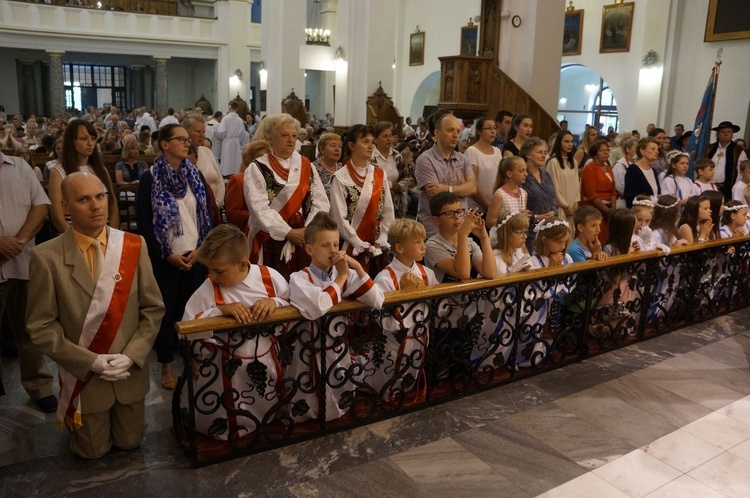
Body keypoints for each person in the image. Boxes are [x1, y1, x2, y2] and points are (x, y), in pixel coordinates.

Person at [27, 172, 164, 459]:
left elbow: (152, 308)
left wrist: (134, 354)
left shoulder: (133, 246)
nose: (96, 206)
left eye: (101, 196)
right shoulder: (46, 257)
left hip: (129, 372)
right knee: (92, 452)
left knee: (131, 443)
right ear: (65, 207)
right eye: (83, 199)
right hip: (85, 378)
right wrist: (90, 361)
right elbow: (41, 326)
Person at [182, 225, 289, 440]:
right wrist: (218, 312)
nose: (212, 275)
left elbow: (291, 305)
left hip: (267, 358)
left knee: (268, 408)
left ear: (242, 264)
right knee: (230, 413)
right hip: (225, 369)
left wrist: (274, 302)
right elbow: (187, 327)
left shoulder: (269, 277)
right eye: (209, 269)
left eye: (218, 271)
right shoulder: (208, 288)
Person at [136, 124, 215, 390]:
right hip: (165, 257)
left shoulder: (196, 175)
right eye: (180, 139)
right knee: (166, 311)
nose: (186, 142)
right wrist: (166, 253)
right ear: (164, 144)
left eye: (187, 139)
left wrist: (201, 250)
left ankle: (193, 358)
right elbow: (145, 222)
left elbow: (207, 215)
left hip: (196, 253)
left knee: (193, 311)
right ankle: (167, 364)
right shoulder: (151, 178)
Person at [287, 213, 384, 422]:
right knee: (309, 408)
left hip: (338, 350)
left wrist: (356, 267)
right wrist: (341, 277)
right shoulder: (299, 278)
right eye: (325, 245)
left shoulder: (344, 273)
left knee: (341, 403)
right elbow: (319, 306)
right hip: (308, 353)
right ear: (309, 249)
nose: (333, 251)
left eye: (336, 244)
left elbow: (377, 300)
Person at [0, 149, 56, 412]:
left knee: (29, 328)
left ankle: (39, 385)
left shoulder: (20, 167)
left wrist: (19, 241)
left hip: (22, 262)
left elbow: (41, 206)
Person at [244, 113, 330, 279]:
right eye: (284, 135)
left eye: (294, 136)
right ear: (270, 139)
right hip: (269, 239)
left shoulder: (306, 165)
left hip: (305, 239)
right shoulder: (257, 168)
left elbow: (321, 202)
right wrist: (288, 232)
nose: (291, 140)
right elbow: (258, 208)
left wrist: (307, 230)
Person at [369, 218, 437, 403]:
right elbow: (381, 316)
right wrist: (403, 294)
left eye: (423, 241)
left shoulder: (427, 273)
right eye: (417, 242)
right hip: (395, 340)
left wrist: (424, 293)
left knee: (413, 369)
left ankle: (407, 392)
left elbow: (439, 306)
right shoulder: (385, 277)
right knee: (390, 374)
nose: (423, 246)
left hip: (421, 335)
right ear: (399, 248)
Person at [330, 124, 395, 275]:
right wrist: (359, 244)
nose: (370, 146)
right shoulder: (340, 178)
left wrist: (382, 239)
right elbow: (339, 218)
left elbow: (388, 212)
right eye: (365, 142)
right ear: (351, 145)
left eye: (372, 142)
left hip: (378, 246)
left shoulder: (380, 174)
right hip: (350, 246)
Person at [49, 119, 119, 234]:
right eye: (84, 139)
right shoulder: (59, 172)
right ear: (71, 141)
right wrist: (79, 242)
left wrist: (112, 237)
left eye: (92, 138)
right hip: (74, 236)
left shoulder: (101, 170)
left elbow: (112, 206)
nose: (90, 143)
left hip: (105, 236)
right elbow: (58, 218)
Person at [414, 111, 476, 238]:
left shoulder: (463, 159)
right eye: (450, 130)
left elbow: (472, 188)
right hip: (435, 231)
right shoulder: (425, 160)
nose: (455, 135)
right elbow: (437, 195)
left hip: (460, 229)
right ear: (437, 133)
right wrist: (462, 188)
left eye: (458, 132)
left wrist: (447, 188)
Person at [520, 137, 558, 251]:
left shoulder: (546, 174)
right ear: (527, 154)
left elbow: (552, 198)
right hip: (528, 232)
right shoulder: (522, 175)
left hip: (547, 230)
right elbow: (518, 205)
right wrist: (535, 217)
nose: (543, 155)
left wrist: (553, 211)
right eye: (539, 152)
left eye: (545, 153)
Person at [226, 140, 269, 235]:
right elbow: (232, 214)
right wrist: (255, 216)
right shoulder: (238, 180)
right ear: (251, 159)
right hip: (246, 232)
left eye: (267, 157)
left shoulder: (271, 180)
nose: (265, 161)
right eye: (261, 157)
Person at [183, 114, 225, 208]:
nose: (202, 135)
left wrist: (217, 203)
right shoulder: (182, 155)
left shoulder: (207, 151)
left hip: (214, 206)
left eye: (203, 132)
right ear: (186, 132)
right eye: (198, 131)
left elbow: (219, 181)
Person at [371, 122, 412, 218]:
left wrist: (398, 187)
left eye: (390, 136)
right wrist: (390, 186)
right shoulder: (370, 156)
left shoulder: (397, 156)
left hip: (396, 202)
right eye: (385, 136)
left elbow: (407, 178)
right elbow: (370, 180)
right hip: (376, 202)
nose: (389, 139)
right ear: (376, 139)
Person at [580, 140, 617, 244]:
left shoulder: (608, 168)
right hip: (593, 209)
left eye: (607, 150)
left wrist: (612, 209)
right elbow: (591, 194)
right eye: (602, 150)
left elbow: (613, 191)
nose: (606, 153)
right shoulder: (590, 168)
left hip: (608, 209)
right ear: (595, 154)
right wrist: (606, 210)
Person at [466, 116, 504, 213]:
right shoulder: (472, 151)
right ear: (479, 132)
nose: (493, 131)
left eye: (494, 128)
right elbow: (473, 182)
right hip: (477, 207)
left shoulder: (497, 151)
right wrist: (488, 205)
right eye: (488, 128)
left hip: (495, 203)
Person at [546, 130, 580, 236]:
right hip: (560, 207)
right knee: (561, 235)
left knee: (571, 234)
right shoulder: (553, 162)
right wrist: (565, 206)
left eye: (571, 141)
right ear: (559, 142)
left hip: (572, 206)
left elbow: (576, 184)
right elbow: (553, 187)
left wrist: (576, 202)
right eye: (566, 141)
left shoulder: (573, 162)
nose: (570, 144)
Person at [486, 156, 528, 230]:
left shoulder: (524, 193)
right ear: (509, 174)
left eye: (526, 170)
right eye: (522, 171)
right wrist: (512, 220)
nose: (526, 174)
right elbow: (489, 222)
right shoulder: (500, 195)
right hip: (504, 238)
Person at [709, 121, 748, 199]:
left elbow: (742, 170)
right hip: (709, 184)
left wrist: (736, 186)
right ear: (718, 134)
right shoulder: (710, 148)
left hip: (727, 186)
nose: (726, 134)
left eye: (729, 132)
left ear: (732, 134)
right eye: (723, 132)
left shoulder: (738, 150)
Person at [624, 137, 661, 207]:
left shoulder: (653, 170)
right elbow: (629, 195)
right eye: (653, 149)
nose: (657, 152)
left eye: (657, 149)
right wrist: (651, 198)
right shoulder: (633, 169)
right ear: (642, 151)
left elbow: (656, 193)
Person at [215, 101, 249, 175]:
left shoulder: (225, 119)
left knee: (227, 163)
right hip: (236, 143)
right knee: (235, 163)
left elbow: (221, 131)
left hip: (227, 142)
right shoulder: (240, 120)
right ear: (237, 109)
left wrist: (223, 137)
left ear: (230, 108)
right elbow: (242, 134)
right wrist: (237, 139)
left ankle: (226, 175)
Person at [313, 132, 343, 196]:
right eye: (333, 145)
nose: (337, 149)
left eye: (339, 146)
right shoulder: (313, 168)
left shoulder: (342, 169)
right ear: (321, 149)